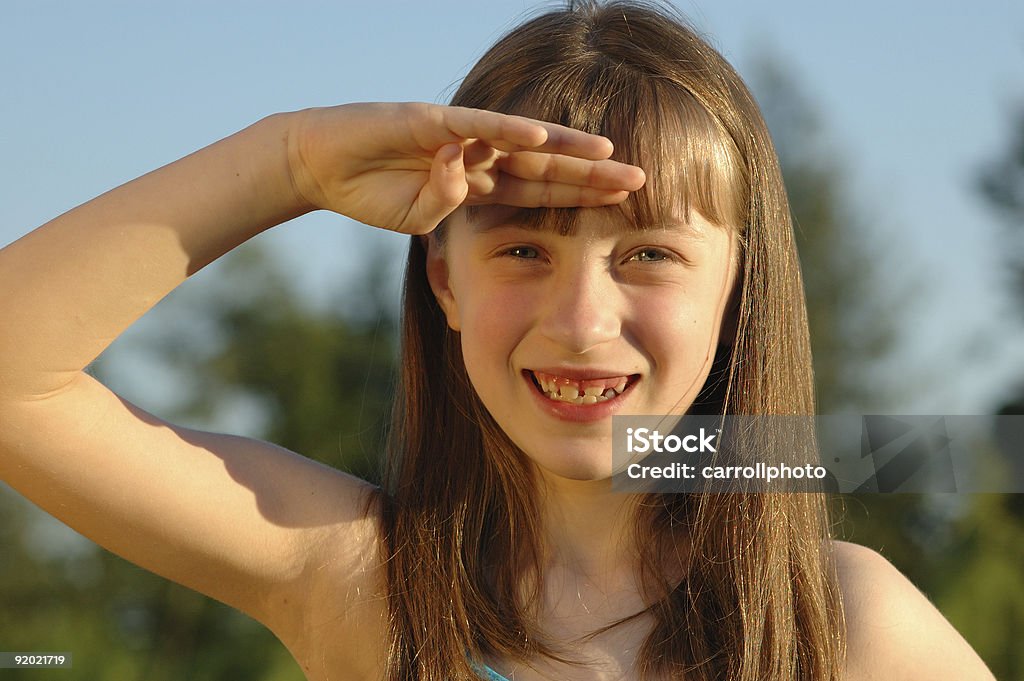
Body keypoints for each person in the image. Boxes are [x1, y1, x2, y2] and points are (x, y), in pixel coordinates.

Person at [0, 2, 995, 680]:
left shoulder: (838, 627)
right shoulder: (356, 581)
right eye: (523, 247)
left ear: (737, 288)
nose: (579, 322)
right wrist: (292, 159)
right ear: (444, 282)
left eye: (646, 255)